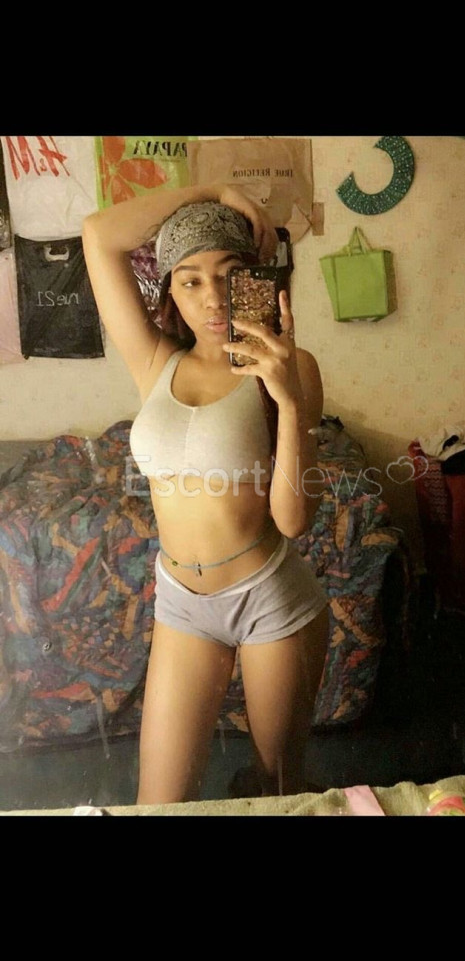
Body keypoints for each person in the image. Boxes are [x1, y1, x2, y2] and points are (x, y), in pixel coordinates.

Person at [82, 182, 330, 804]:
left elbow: (293, 521)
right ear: (169, 291)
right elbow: (99, 235)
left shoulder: (293, 366)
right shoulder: (153, 360)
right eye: (190, 280)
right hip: (181, 604)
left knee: (278, 789)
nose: (213, 297)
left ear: (258, 278)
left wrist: (288, 401)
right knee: (159, 803)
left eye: (229, 274)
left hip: (269, 598)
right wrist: (216, 190)